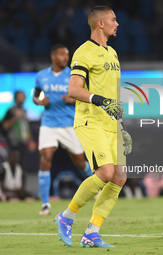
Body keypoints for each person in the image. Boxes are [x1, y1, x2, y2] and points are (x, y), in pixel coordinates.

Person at [55, 6, 132, 248]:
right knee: (106, 173)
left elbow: (113, 97)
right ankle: (66, 217)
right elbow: (73, 90)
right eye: (113, 19)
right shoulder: (84, 52)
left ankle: (92, 232)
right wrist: (100, 100)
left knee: (119, 177)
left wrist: (122, 126)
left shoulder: (113, 54)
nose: (116, 23)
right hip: (90, 121)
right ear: (100, 23)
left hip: (111, 124)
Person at [33, 44, 93, 216]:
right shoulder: (41, 76)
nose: (65, 57)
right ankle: (45, 204)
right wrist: (39, 102)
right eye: (62, 54)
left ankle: (96, 191)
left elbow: (86, 95)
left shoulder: (73, 74)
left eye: (67, 55)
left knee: (80, 162)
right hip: (49, 124)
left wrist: (73, 99)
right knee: (45, 158)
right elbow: (35, 96)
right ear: (53, 56)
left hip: (69, 124)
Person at [2, 90, 36, 165]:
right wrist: (15, 117)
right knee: (13, 164)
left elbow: (27, 127)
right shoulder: (11, 111)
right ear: (16, 98)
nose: (23, 98)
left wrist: (31, 141)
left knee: (21, 165)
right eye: (21, 96)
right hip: (13, 143)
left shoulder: (24, 111)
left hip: (23, 142)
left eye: (24, 96)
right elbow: (5, 126)